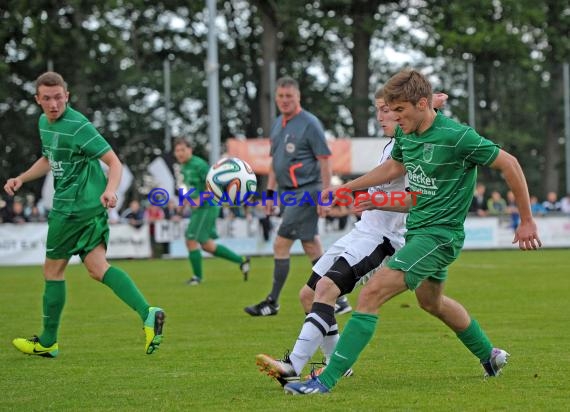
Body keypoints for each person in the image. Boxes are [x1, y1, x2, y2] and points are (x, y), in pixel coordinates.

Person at [284, 69, 541, 395]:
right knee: (432, 302)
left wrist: (526, 220)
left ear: (422, 104)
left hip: (441, 236)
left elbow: (510, 164)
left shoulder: (457, 137)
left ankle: (325, 380)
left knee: (371, 294)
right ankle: (489, 355)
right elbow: (393, 168)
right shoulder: (407, 135)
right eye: (390, 110)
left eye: (400, 111)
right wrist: (349, 188)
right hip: (419, 233)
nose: (394, 118)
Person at [255, 88, 448, 385]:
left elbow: (412, 184)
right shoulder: (392, 145)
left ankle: (293, 364)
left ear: (404, 113)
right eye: (379, 110)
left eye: (388, 110)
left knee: (328, 288)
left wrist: (430, 107)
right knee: (308, 294)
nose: (381, 116)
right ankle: (338, 363)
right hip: (362, 231)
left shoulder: (411, 144)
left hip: (382, 239)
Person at [3, 71, 165, 357]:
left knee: (52, 270)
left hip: (70, 210)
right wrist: (22, 178)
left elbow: (115, 162)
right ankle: (148, 312)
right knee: (98, 268)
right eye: (47, 99)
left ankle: (48, 341)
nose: (54, 104)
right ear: (37, 100)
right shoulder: (45, 123)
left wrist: (112, 190)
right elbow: (49, 157)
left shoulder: (78, 126)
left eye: (58, 97)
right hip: (89, 209)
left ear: (67, 95)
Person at [243, 76, 341, 316]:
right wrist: (269, 194)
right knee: (310, 244)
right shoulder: (278, 124)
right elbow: (276, 163)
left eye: (289, 96)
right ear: (276, 98)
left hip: (307, 191)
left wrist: (326, 195)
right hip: (287, 194)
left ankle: (272, 302)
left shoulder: (310, 123)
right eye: (281, 96)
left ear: (298, 97)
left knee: (281, 243)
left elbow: (324, 160)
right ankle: (340, 298)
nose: (285, 101)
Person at [173, 138, 250, 285]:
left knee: (191, 240)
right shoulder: (183, 167)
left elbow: (214, 185)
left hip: (207, 207)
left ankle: (197, 278)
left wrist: (199, 201)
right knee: (207, 245)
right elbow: (188, 189)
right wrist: (183, 205)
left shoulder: (199, 165)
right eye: (177, 150)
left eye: (183, 150)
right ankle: (242, 261)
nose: (180, 153)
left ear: (190, 150)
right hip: (199, 209)